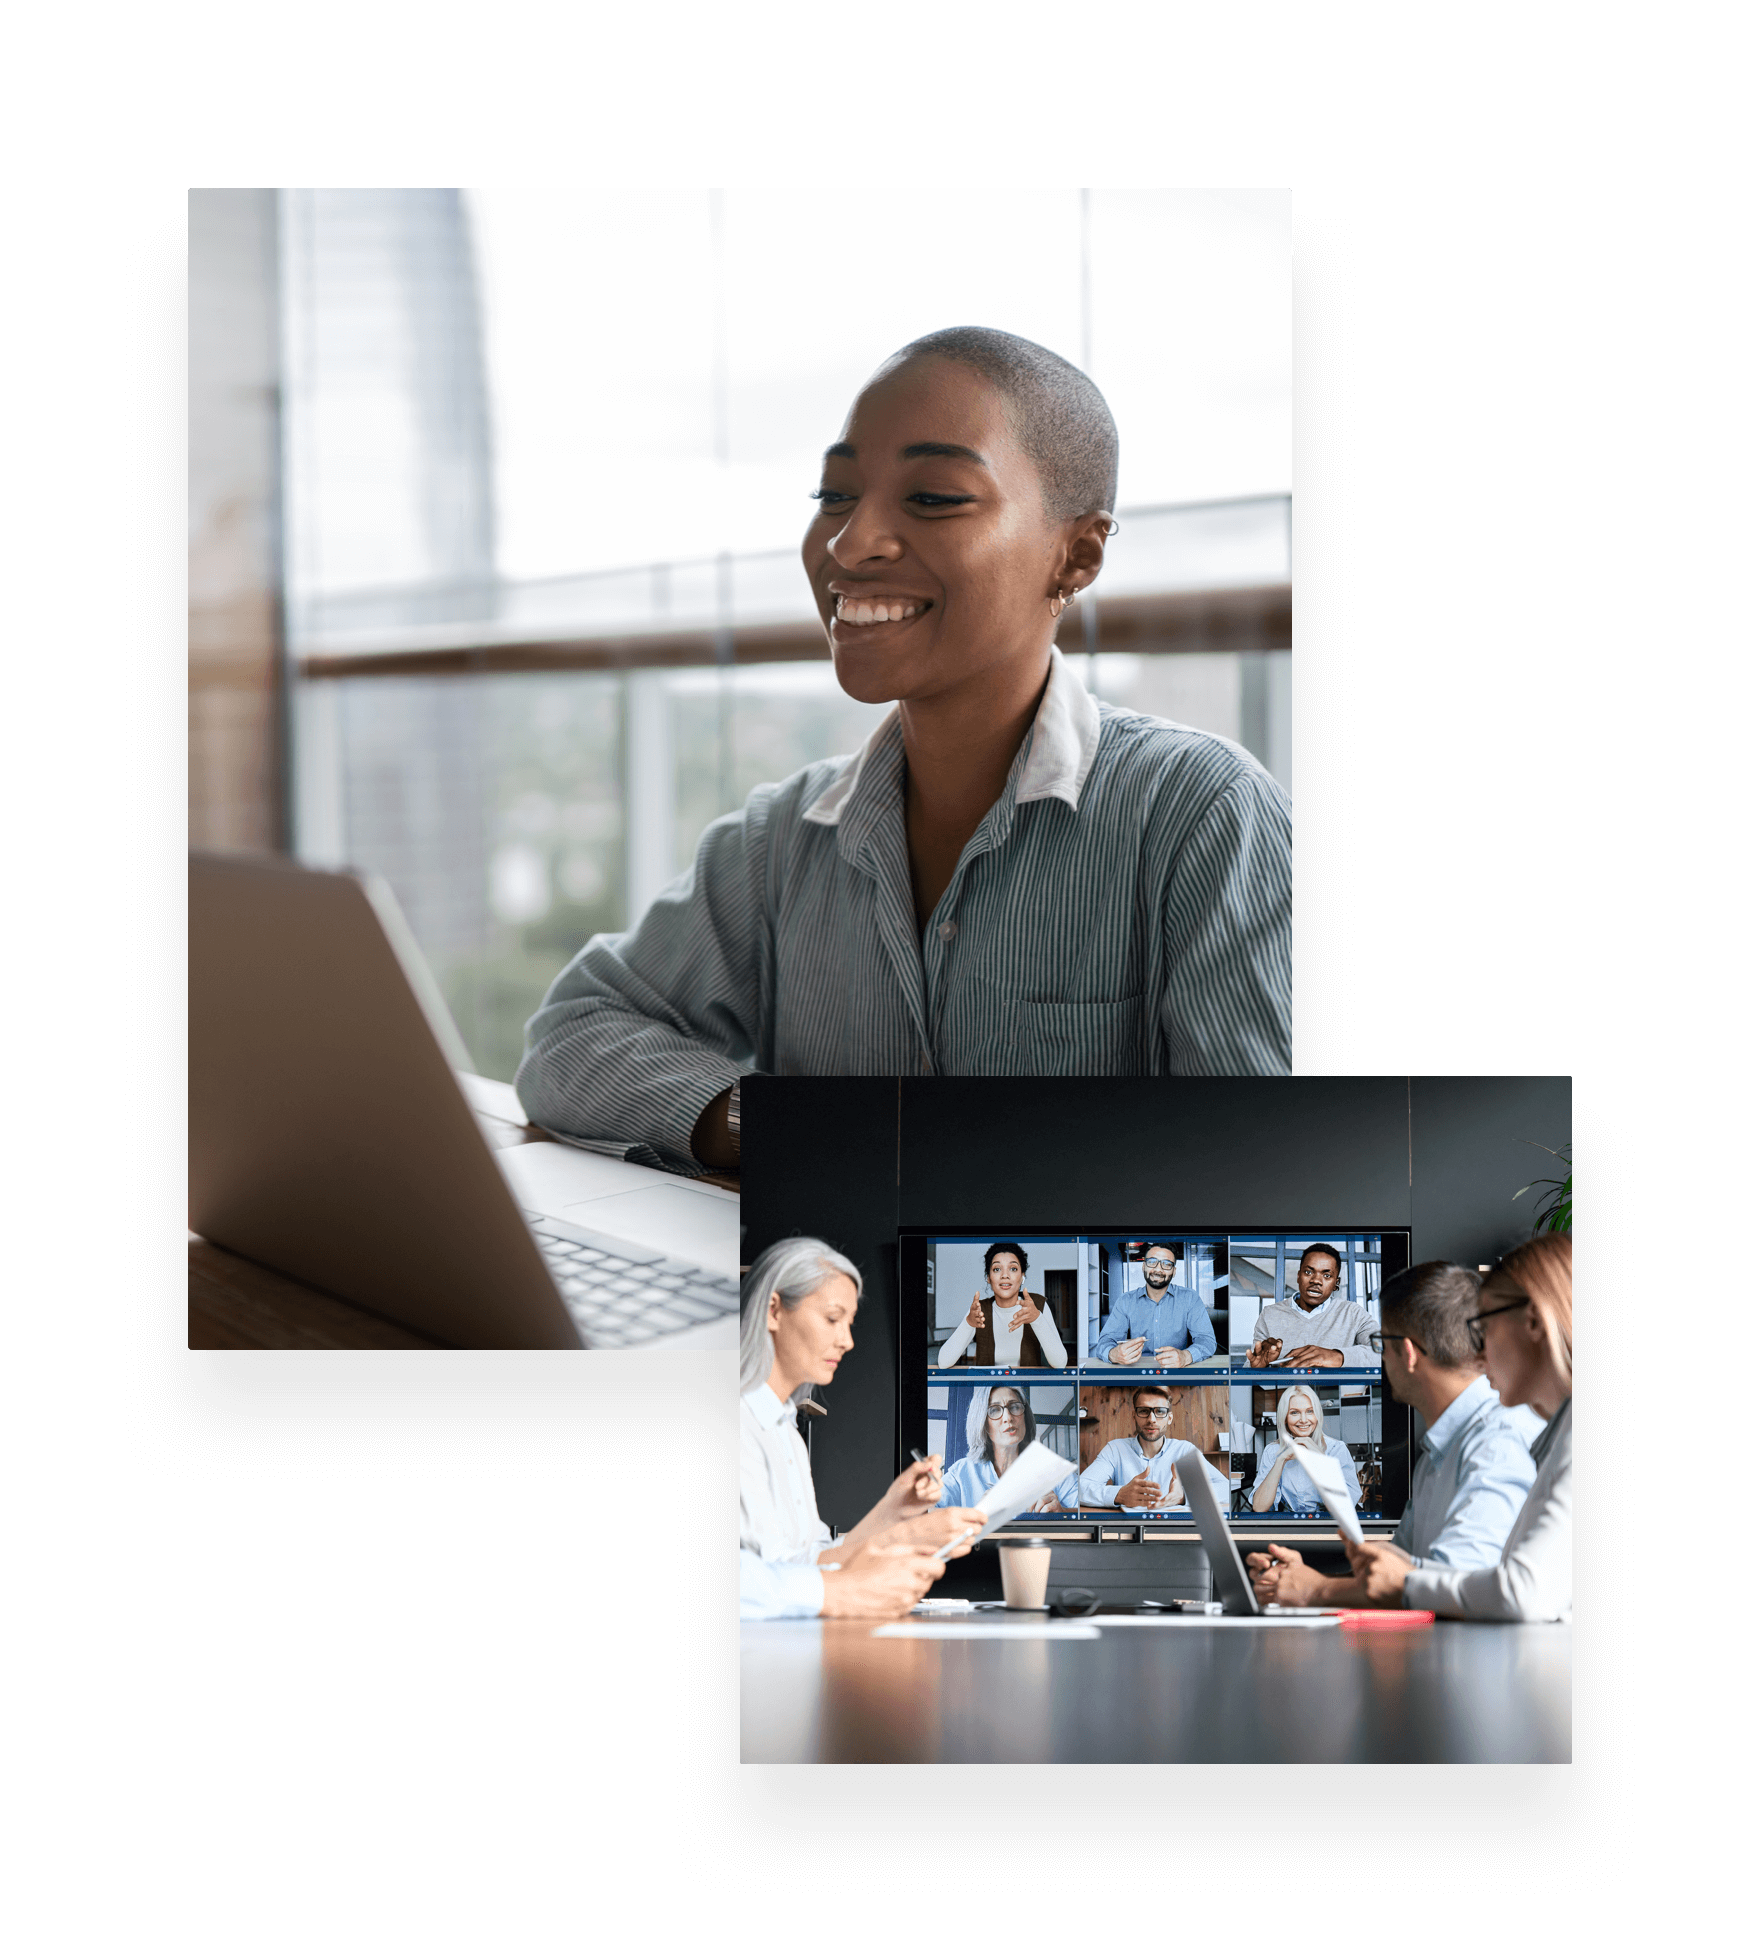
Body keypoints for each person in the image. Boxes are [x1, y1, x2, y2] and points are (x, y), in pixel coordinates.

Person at [516, 327, 1292, 1176]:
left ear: (1078, 553)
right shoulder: (783, 839)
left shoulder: (1202, 815)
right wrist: (784, 1127)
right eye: (835, 495)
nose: (850, 546)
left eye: (932, 498)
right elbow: (572, 1035)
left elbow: (1259, 1167)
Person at [1248, 1260, 1540, 1610]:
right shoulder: (1439, 1449)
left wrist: (1317, 1591)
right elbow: (1404, 1570)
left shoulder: (1496, 1441)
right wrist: (1297, 1579)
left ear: (1407, 1353)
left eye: (1381, 1342)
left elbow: (1458, 1585)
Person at [741, 1236, 987, 1620]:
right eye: (832, 1318)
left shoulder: (786, 1432)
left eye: (850, 1323)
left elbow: (810, 1560)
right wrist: (852, 1584)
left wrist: (894, 1510)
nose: (848, 1341)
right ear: (774, 1311)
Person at [1348, 1236, 1571, 1622]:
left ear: (1533, 1321)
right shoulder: (1556, 1434)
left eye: (1484, 1326)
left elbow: (1521, 1591)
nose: (1478, 1352)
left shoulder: (1508, 1437)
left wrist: (1400, 1583)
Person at [1077, 1385, 1230, 1510]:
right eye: (1144, 1411)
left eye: (1160, 1412)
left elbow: (1225, 1488)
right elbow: (1080, 1488)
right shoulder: (1115, 1449)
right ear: (1134, 1416)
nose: (1151, 1419)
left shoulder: (1184, 1451)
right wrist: (1120, 1494)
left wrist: (1183, 1496)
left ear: (1169, 1418)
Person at [937, 1385, 1080, 1513]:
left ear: (1025, 1417)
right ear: (982, 1423)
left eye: (1015, 1407)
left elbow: (1087, 1514)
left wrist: (1062, 1512)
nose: (1008, 1417)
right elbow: (928, 1515)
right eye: (994, 1410)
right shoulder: (962, 1471)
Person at [937, 1242, 1069, 1368]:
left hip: (1027, 1389)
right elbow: (943, 1362)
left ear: (1022, 1276)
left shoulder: (1038, 1305)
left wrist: (1037, 1319)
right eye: (997, 1269)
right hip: (989, 1389)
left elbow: (1060, 1363)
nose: (1005, 1275)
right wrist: (968, 1323)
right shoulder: (979, 1310)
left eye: (1013, 1268)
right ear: (988, 1278)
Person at [1246, 1244, 1379, 1368]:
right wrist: (1258, 1368)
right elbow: (1250, 1365)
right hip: (1286, 1393)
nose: (1316, 1280)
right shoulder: (1270, 1314)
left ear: (1336, 1284)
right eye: (1308, 1272)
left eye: (1327, 1275)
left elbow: (1385, 1351)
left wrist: (1338, 1356)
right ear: (1298, 1276)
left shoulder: (1353, 1313)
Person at [1092, 1241, 1217, 1366]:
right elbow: (1105, 1341)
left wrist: (1186, 1356)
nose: (1158, 1269)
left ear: (1173, 1271)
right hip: (1137, 1372)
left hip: (1176, 1372)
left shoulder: (1190, 1298)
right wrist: (1114, 1354)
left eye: (1166, 1264)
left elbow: (1207, 1341)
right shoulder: (1125, 1301)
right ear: (1144, 1266)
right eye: (1152, 1262)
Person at [1249, 1383, 1364, 1513]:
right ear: (1285, 1418)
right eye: (1294, 1412)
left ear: (1317, 1415)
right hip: (1290, 1524)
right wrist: (1280, 1460)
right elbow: (1259, 1507)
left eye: (1310, 1411)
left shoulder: (1337, 1449)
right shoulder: (1272, 1451)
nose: (1303, 1420)